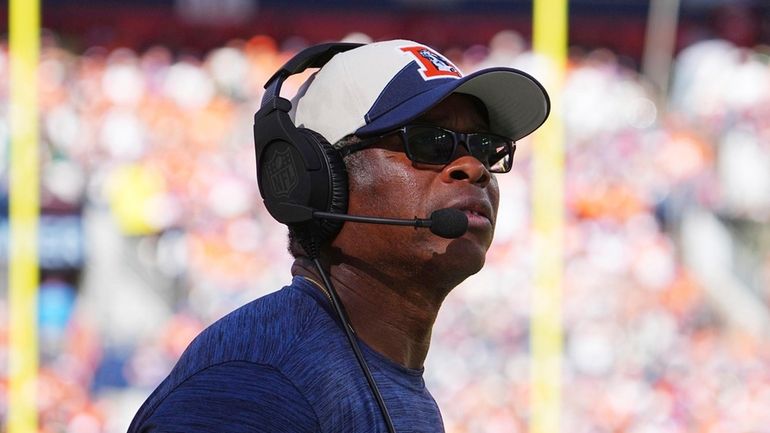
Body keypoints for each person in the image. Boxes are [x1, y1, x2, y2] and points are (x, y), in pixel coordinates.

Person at [128, 39, 549, 433]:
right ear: (317, 179)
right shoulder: (255, 385)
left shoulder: (383, 376)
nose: (473, 168)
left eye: (485, 147)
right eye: (429, 141)